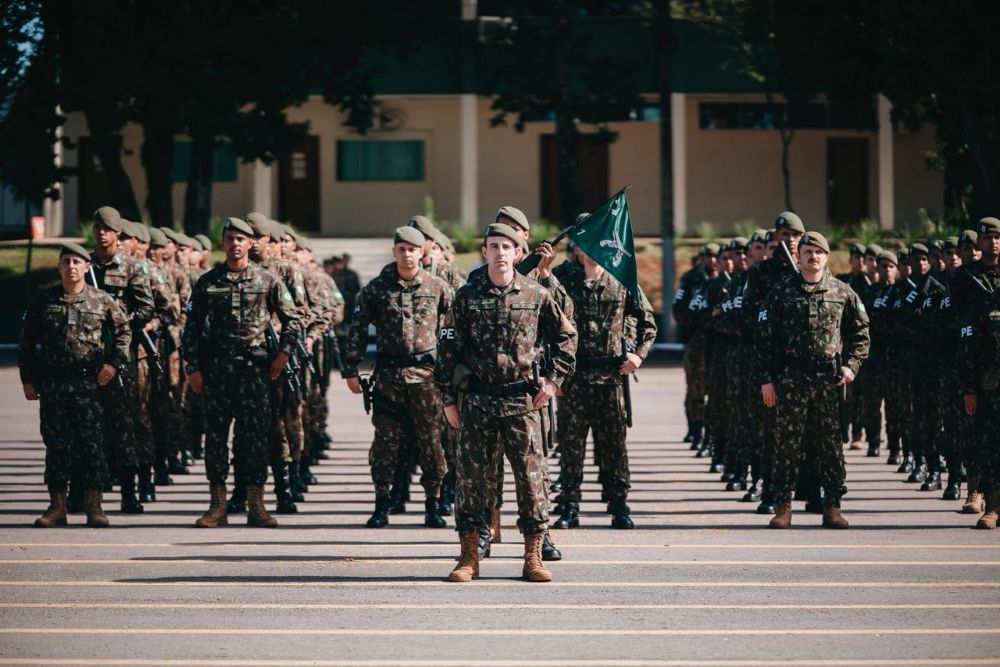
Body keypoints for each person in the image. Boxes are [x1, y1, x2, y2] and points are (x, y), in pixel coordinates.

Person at [435, 222, 576, 583]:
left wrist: (553, 380)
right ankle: (469, 556)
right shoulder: (466, 296)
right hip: (478, 401)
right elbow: (447, 350)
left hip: (522, 402)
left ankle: (533, 556)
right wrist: (449, 399)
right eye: (494, 246)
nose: (500, 252)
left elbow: (566, 337)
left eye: (507, 247)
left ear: (518, 253)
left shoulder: (535, 293)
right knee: (470, 481)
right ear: (484, 252)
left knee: (531, 480)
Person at [181, 217, 302, 528]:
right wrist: (193, 368)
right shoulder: (208, 282)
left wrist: (283, 354)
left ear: (250, 243)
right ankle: (217, 506)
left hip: (255, 372)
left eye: (241, 239)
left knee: (255, 439)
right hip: (217, 370)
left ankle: (256, 505)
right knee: (216, 439)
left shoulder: (268, 280)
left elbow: (293, 320)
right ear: (222, 243)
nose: (235, 244)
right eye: (230, 238)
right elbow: (191, 327)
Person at [755, 231, 870, 529]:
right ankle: (783, 507)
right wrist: (766, 380)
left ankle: (832, 506)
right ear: (798, 256)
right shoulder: (780, 293)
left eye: (819, 252)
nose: (813, 256)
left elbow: (861, 334)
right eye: (808, 251)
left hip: (828, 381)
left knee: (830, 446)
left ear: (827, 256)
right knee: (787, 445)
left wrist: (851, 367)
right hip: (791, 380)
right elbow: (764, 340)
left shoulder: (842, 292)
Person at [342, 226, 453, 529]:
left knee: (432, 442)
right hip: (388, 378)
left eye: (412, 250)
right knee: (385, 443)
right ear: (394, 251)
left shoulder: (438, 287)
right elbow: (357, 328)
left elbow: (454, 330)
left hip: (427, 378)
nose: (407, 255)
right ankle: (382, 503)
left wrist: (454, 371)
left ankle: (433, 504)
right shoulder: (376, 289)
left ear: (422, 252)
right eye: (401, 249)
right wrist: (350, 369)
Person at [19, 242, 132, 528]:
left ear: (86, 267)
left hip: (88, 385)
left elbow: (124, 333)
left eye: (76, 261)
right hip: (53, 384)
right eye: (66, 261)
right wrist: (28, 379)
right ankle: (57, 507)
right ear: (59, 267)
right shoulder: (43, 300)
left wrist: (113, 364)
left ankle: (94, 506)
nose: (71, 266)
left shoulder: (101, 300)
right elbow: (27, 342)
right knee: (56, 446)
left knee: (92, 445)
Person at [552, 246, 656, 529]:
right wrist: (554, 374)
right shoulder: (563, 280)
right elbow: (546, 324)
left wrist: (638, 355)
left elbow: (648, 323)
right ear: (577, 249)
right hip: (574, 378)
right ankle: (570, 505)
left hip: (611, 379)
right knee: (571, 445)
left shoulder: (622, 280)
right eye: (586, 245)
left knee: (614, 445)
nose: (592, 251)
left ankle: (619, 504)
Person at [86, 207, 155, 515]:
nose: (102, 234)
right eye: (98, 228)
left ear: (117, 234)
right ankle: (87, 491)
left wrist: (119, 324)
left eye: (108, 229)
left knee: (125, 423)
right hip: (88, 355)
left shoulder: (132, 267)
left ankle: (130, 490)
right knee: (88, 425)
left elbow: (146, 308)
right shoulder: (84, 265)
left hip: (122, 355)